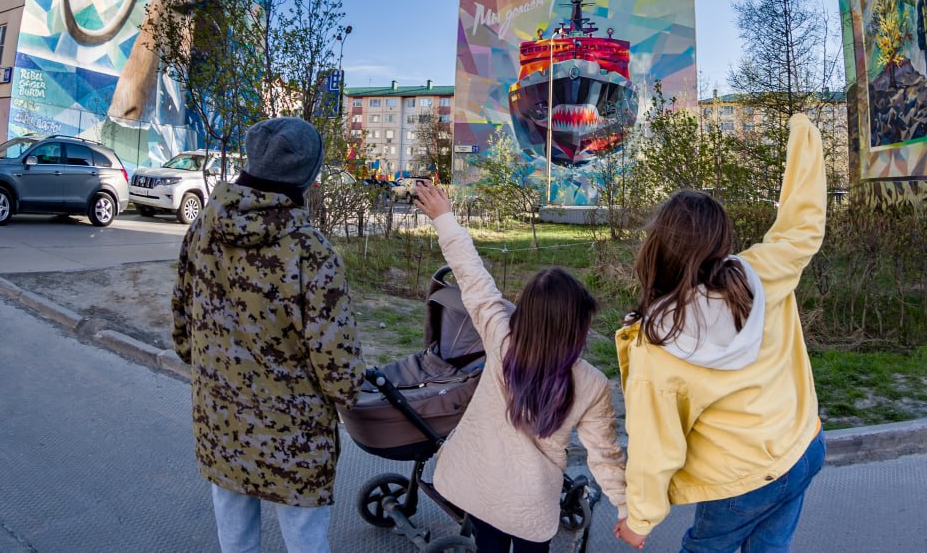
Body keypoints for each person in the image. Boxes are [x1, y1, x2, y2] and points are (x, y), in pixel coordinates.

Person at [615, 113, 827, 552]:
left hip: (741, 483)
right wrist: (804, 137)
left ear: (656, 249)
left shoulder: (659, 344)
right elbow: (802, 227)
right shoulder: (761, 273)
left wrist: (640, 519)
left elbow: (655, 447)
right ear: (723, 239)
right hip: (801, 448)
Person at [172, 117, 363, 553]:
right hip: (294, 434)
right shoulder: (311, 252)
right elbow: (338, 366)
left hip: (220, 418)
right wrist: (350, 395)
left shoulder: (203, 228)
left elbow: (182, 320)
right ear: (306, 175)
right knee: (305, 538)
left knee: (234, 536)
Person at [413, 183, 626, 553]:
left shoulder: (500, 339)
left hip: (481, 486)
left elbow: (472, 275)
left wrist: (444, 218)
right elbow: (604, 453)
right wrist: (627, 509)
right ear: (577, 326)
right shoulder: (590, 382)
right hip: (531, 502)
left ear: (523, 311)